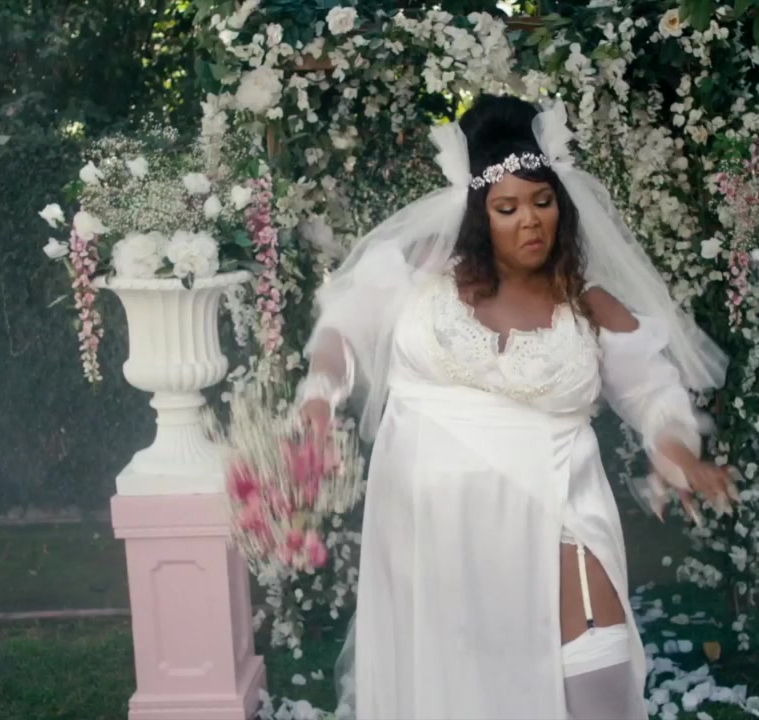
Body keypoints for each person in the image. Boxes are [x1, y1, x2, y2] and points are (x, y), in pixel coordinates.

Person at [295, 94, 736, 720]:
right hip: (431, 536)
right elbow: (342, 332)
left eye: (543, 201)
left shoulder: (588, 304)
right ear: (477, 213)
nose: (530, 221)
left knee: (600, 667)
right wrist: (319, 397)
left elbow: (653, 397)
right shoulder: (419, 275)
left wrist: (679, 456)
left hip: (557, 510)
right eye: (508, 208)